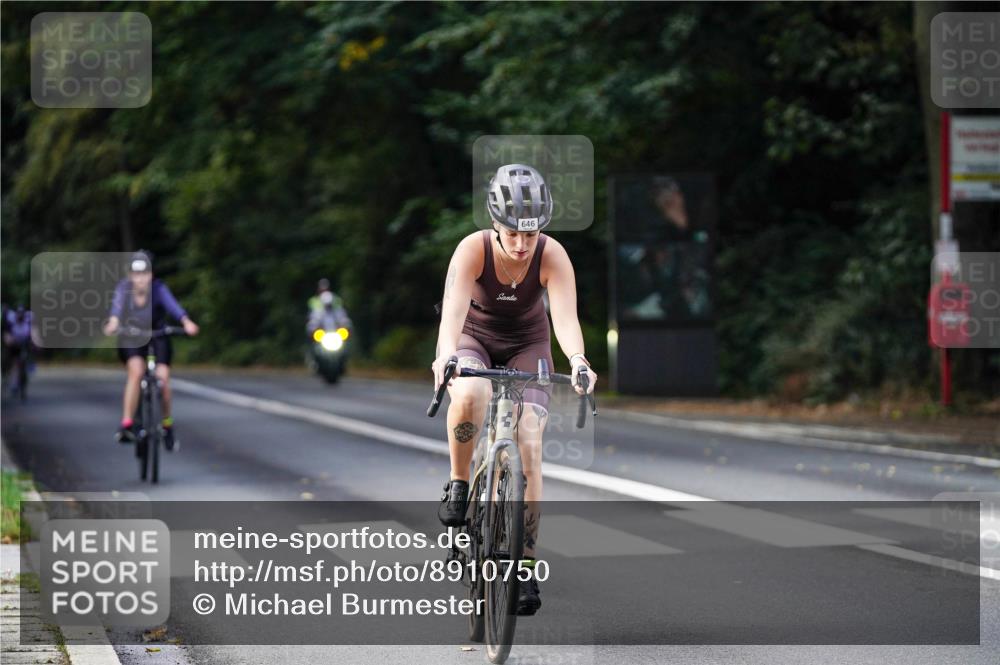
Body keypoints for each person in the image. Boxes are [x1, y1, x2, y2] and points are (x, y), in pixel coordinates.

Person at [431, 164, 597, 616]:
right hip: (474, 339)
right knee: (470, 396)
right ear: (494, 224)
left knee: (529, 444)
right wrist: (446, 357)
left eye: (531, 234)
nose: (522, 245)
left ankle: (524, 564)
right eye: (512, 234)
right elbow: (451, 314)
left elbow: (565, 319)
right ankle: (459, 483)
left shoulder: (552, 254)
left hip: (529, 343)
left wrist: (578, 361)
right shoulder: (473, 250)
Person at [103, 250, 199, 450]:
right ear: (130, 275)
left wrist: (186, 321)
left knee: (163, 378)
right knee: (136, 372)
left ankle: (167, 424)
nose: (140, 279)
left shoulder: (158, 288)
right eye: (136, 274)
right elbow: (116, 310)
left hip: (158, 335)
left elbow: (173, 307)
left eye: (144, 274)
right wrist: (113, 322)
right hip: (131, 337)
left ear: (151, 275)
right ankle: (127, 423)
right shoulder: (124, 289)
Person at [4, 305, 34, 397]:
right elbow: (7, 335)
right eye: (19, 314)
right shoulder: (11, 322)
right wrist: (8, 340)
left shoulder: (28, 322)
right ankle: (13, 381)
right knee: (14, 362)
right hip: (14, 346)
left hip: (24, 346)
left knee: (25, 360)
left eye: (22, 314)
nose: (20, 316)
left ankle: (27, 372)